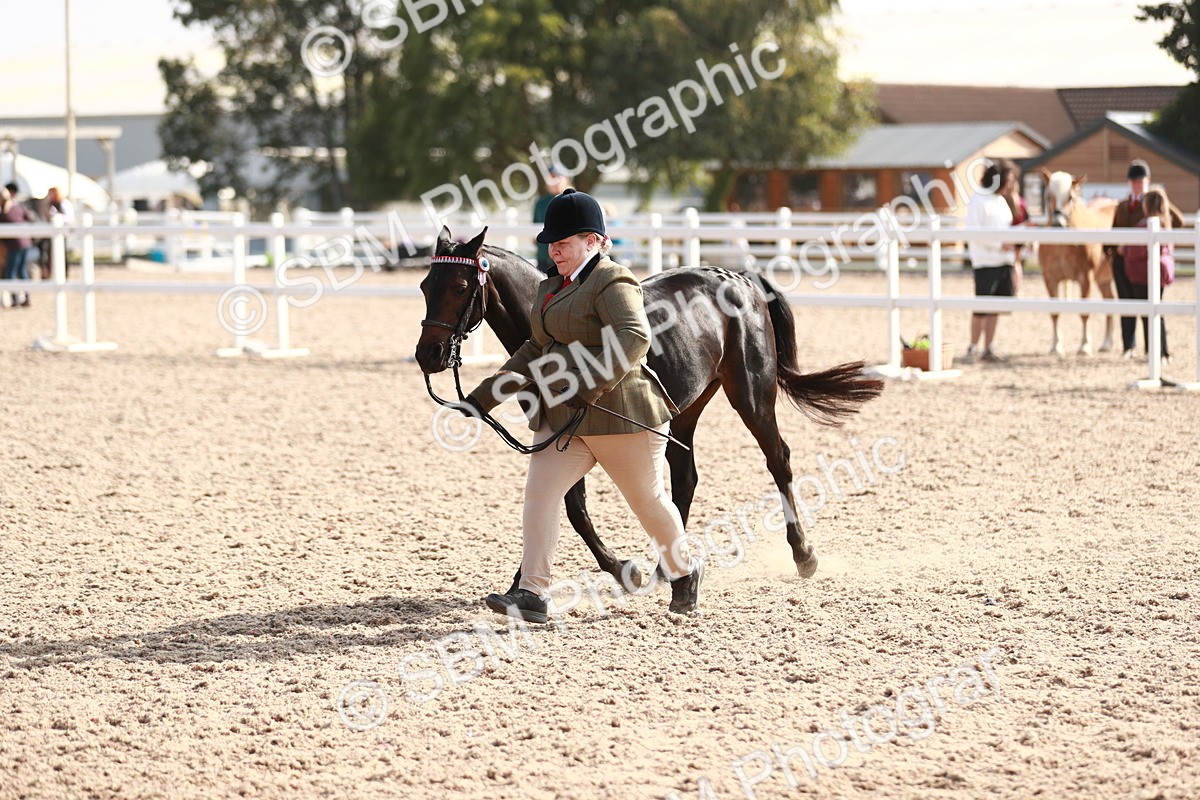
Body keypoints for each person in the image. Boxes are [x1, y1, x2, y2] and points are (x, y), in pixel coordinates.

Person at [462, 188, 703, 621]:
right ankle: (533, 592)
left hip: (623, 416)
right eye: (551, 244)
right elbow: (535, 349)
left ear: (593, 241)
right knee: (539, 496)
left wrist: (587, 388)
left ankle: (684, 572)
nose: (554, 251)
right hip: (565, 419)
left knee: (648, 502)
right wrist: (484, 399)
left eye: (564, 243)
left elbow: (634, 338)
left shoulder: (613, 280)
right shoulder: (550, 289)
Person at [1107, 160, 1184, 358]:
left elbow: (1178, 220)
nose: (1136, 185)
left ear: (1147, 181)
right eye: (1133, 181)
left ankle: (1154, 349)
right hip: (1123, 262)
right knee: (1126, 304)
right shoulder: (1122, 206)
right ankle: (1128, 346)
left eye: (1140, 181)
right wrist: (1113, 251)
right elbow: (1113, 231)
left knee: (1149, 305)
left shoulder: (1155, 201)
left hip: (1145, 263)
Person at [964, 160, 1020, 362]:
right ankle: (972, 347)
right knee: (981, 307)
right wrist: (999, 244)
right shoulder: (978, 200)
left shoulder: (1001, 201)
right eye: (1009, 180)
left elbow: (1006, 229)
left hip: (1004, 261)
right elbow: (975, 233)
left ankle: (989, 346)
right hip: (985, 261)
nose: (1011, 184)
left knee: (995, 306)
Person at [1118, 185, 1175, 363]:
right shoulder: (1165, 223)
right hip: (1160, 274)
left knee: (1148, 313)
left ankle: (1155, 352)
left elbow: (1135, 251)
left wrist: (1124, 248)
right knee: (1158, 312)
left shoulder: (1144, 226)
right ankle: (1162, 351)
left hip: (1142, 276)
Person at [0, 187, 34, 307]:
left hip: (15, 244)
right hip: (26, 241)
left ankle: (15, 299)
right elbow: (30, 216)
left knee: (11, 272)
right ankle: (26, 297)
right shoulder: (18, 207)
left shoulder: (4, 213)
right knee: (22, 270)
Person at [532, 165, 569, 271]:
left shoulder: (572, 200)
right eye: (550, 177)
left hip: (565, 256)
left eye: (556, 177)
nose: (553, 181)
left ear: (565, 179)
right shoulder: (540, 203)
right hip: (543, 256)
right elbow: (534, 226)